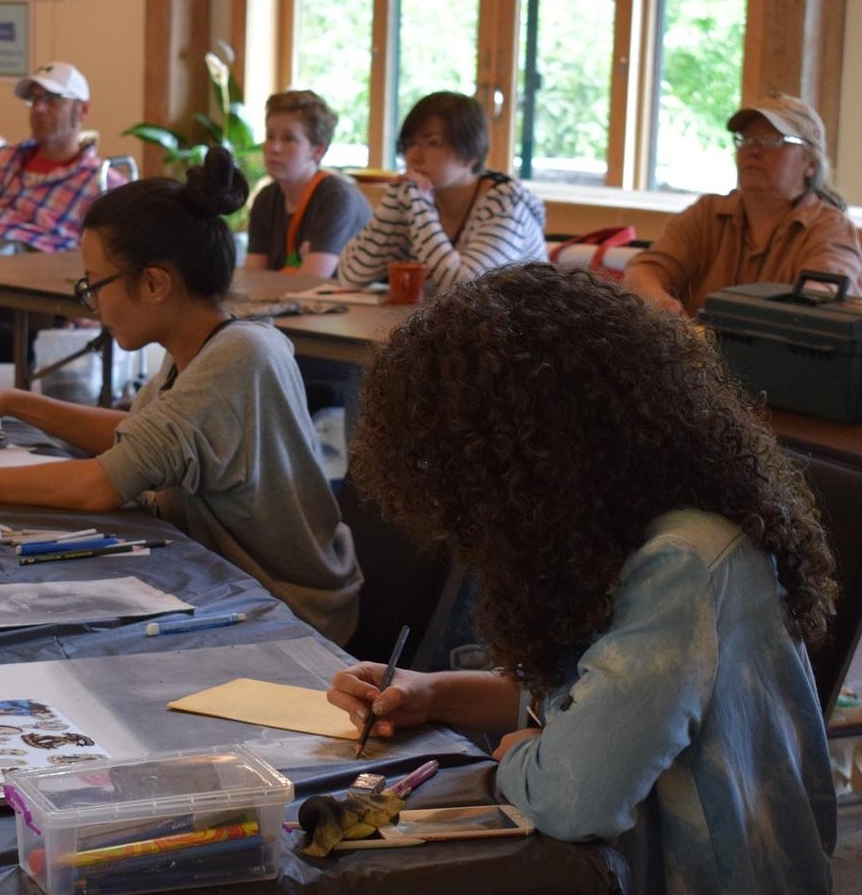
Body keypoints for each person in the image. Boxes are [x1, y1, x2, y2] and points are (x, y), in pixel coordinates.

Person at [327, 264, 836, 893]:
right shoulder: (618, 525)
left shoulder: (680, 564)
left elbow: (573, 798)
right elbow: (590, 701)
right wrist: (431, 693)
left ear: (540, 456)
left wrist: (516, 754)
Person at [0, 148, 362, 645]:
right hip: (235, 581)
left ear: (154, 283)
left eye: (95, 284)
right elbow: (132, 440)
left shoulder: (236, 358)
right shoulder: (205, 344)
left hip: (290, 611)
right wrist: (12, 401)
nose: (91, 303)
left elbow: (100, 485)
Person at [0, 61, 126, 356]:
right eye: (35, 100)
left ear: (82, 110)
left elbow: (111, 264)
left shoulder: (102, 183)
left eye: (52, 100)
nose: (39, 109)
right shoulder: (2, 160)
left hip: (34, 288)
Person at [625, 92, 862, 317]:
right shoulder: (706, 214)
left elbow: (819, 305)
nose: (753, 149)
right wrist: (662, 307)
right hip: (696, 355)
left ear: (810, 163)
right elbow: (644, 270)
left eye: (773, 140)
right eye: (746, 139)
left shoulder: (831, 231)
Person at [337, 92, 546, 293]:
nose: (414, 156)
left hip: (523, 326)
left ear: (469, 153)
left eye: (433, 143)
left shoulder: (504, 203)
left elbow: (467, 294)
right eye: (410, 144)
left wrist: (419, 206)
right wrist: (396, 198)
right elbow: (351, 277)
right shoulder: (418, 195)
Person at [245, 89, 371, 277]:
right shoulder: (265, 198)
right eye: (270, 136)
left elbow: (310, 281)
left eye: (288, 139)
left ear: (317, 151)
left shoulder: (336, 197)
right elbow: (253, 277)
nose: (274, 148)